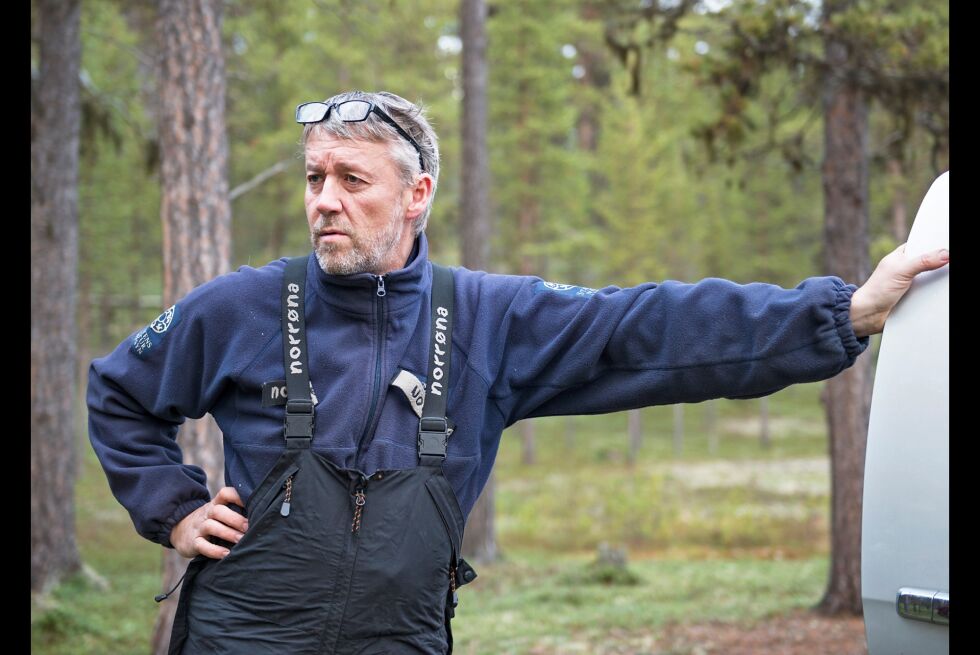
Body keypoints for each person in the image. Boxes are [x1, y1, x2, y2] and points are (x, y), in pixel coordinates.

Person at [87, 90, 949, 655]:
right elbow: (120, 391)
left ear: (417, 194)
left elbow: (649, 328)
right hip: (242, 639)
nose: (324, 200)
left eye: (353, 179)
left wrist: (844, 313)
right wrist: (171, 507)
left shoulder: (488, 318)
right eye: (316, 178)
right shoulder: (239, 305)